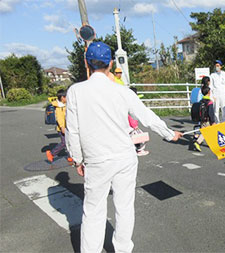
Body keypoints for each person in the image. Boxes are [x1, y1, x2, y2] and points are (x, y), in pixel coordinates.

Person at [65, 42, 182, 252]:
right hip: (124, 157)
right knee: (124, 206)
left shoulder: (75, 91)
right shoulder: (122, 91)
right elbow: (147, 116)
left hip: (96, 159)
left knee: (93, 210)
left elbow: (72, 130)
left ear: (87, 63)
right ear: (110, 63)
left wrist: (77, 159)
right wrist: (169, 134)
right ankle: (123, 249)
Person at [45, 89, 73, 163]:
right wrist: (62, 127)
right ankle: (51, 153)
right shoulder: (58, 107)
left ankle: (70, 156)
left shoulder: (63, 105)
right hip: (61, 128)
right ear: (62, 97)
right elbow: (59, 118)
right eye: (66, 97)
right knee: (64, 142)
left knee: (69, 142)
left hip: (67, 127)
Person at [193, 85, 215, 152]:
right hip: (207, 120)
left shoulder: (201, 101)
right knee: (206, 133)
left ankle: (211, 144)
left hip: (202, 119)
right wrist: (213, 121)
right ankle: (197, 142)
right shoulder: (209, 102)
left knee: (205, 132)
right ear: (209, 92)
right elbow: (211, 113)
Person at [129, 87, 149, 156]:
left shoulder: (127, 101)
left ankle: (134, 150)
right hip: (132, 126)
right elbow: (132, 116)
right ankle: (140, 150)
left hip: (128, 125)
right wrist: (135, 126)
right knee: (141, 138)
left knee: (130, 138)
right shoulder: (132, 104)